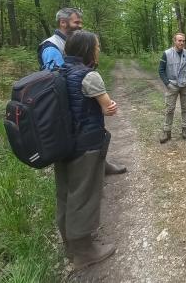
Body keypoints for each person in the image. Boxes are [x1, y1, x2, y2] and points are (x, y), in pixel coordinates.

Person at [38, 8, 126, 176]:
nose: (80, 26)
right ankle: (85, 168)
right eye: (76, 22)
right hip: (67, 116)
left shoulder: (72, 41)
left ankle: (99, 164)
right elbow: (55, 82)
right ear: (63, 23)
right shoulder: (51, 46)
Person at [56, 30, 118, 269]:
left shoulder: (59, 71)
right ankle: (84, 252)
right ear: (86, 49)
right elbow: (108, 107)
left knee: (65, 194)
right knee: (84, 196)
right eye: (97, 46)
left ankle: (70, 245)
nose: (98, 49)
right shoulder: (89, 76)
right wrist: (110, 107)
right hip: (85, 145)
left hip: (62, 144)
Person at [158, 33, 186, 143]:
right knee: (169, 109)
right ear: (174, 41)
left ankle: (185, 128)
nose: (182, 43)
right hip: (172, 85)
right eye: (179, 40)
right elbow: (161, 70)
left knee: (185, 108)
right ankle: (166, 131)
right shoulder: (167, 54)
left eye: (183, 41)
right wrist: (167, 83)